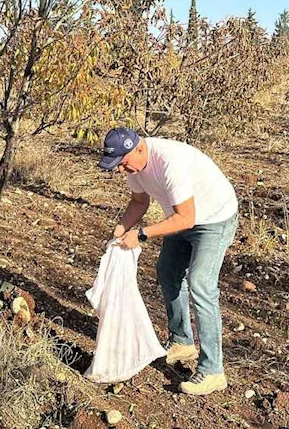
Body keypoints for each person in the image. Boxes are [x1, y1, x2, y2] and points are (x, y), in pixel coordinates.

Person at [99, 127, 238, 396]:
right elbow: (139, 203)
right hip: (182, 217)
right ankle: (182, 341)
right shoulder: (135, 167)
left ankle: (213, 370)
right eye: (117, 165)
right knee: (167, 271)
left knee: (200, 284)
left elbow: (186, 218)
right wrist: (117, 233)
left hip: (214, 219)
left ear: (139, 148)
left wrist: (140, 234)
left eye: (123, 163)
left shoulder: (169, 163)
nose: (121, 170)